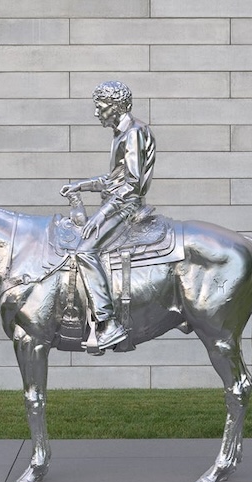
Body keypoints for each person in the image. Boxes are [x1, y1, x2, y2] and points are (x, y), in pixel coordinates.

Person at [60, 81, 156, 350]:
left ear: (114, 107)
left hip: (126, 207)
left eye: (99, 107)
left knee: (84, 251)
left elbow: (131, 185)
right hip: (119, 202)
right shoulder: (121, 133)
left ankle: (108, 322)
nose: (96, 113)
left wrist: (100, 216)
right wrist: (82, 185)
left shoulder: (134, 133)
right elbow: (114, 179)